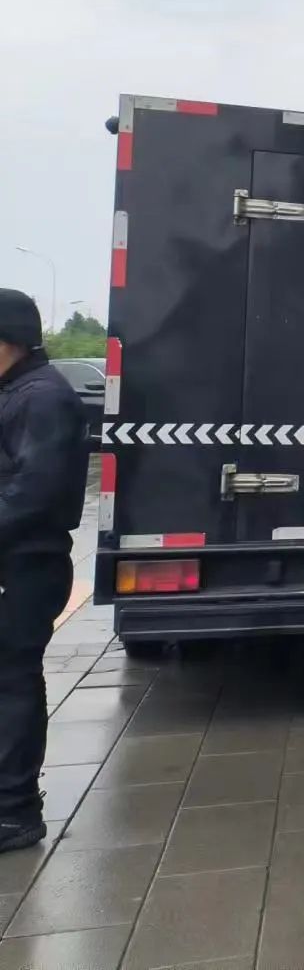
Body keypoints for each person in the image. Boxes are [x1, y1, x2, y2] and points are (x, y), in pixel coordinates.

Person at [0, 290, 86, 855]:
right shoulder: (18, 392)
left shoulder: (43, 398)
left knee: (11, 680)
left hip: (25, 566)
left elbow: (34, 492)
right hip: (15, 559)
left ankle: (14, 811)